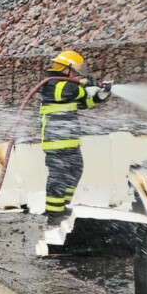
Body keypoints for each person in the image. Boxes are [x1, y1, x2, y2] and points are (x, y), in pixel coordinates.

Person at [39, 49, 111, 224]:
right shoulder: (51, 84)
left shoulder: (69, 87)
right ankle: (53, 214)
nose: (77, 74)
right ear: (66, 69)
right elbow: (69, 92)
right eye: (74, 71)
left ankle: (63, 206)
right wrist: (85, 86)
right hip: (56, 143)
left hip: (71, 143)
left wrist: (101, 94)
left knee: (76, 171)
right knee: (58, 178)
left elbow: (84, 102)